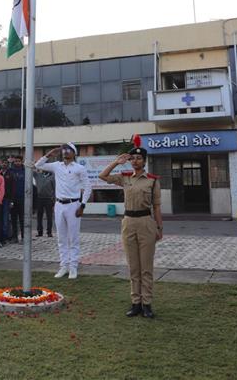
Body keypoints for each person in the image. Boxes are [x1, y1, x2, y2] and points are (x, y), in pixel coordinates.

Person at [98, 135, 163, 318]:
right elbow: (103, 176)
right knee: (133, 267)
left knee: (146, 268)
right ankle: (136, 303)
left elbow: (157, 206)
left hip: (146, 223)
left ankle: (147, 304)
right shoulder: (124, 177)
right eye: (133, 158)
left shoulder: (152, 180)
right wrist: (116, 162)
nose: (135, 161)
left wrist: (160, 228)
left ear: (144, 161)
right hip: (128, 222)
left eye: (139, 158)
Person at [35, 142, 91, 279]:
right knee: (61, 238)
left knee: (73, 238)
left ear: (74, 153)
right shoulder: (56, 166)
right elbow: (38, 166)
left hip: (73, 205)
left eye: (69, 149)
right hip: (59, 205)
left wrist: (82, 205)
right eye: (64, 149)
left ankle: (73, 267)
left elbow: (88, 187)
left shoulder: (79, 168)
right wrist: (48, 155)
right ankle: (63, 266)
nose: (65, 152)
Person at [34, 168, 55, 237]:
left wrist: (54, 199)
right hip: (39, 198)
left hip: (49, 199)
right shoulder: (38, 175)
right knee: (39, 216)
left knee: (49, 216)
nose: (44, 169)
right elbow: (30, 170)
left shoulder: (52, 177)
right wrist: (35, 166)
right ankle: (40, 232)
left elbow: (55, 188)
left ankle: (49, 232)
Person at [9, 154, 25, 243]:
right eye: (15, 161)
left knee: (22, 219)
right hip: (13, 199)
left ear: (21, 161)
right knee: (13, 219)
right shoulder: (10, 171)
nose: (17, 163)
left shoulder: (25, 171)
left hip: (23, 198)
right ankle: (14, 237)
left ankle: (23, 237)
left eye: (18, 161)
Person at [0, 157, 12, 243]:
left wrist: (12, 200)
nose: (4, 164)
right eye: (3, 163)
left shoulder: (10, 173)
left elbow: (13, 188)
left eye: (6, 163)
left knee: (5, 219)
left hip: (7, 199)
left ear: (8, 165)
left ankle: (5, 237)